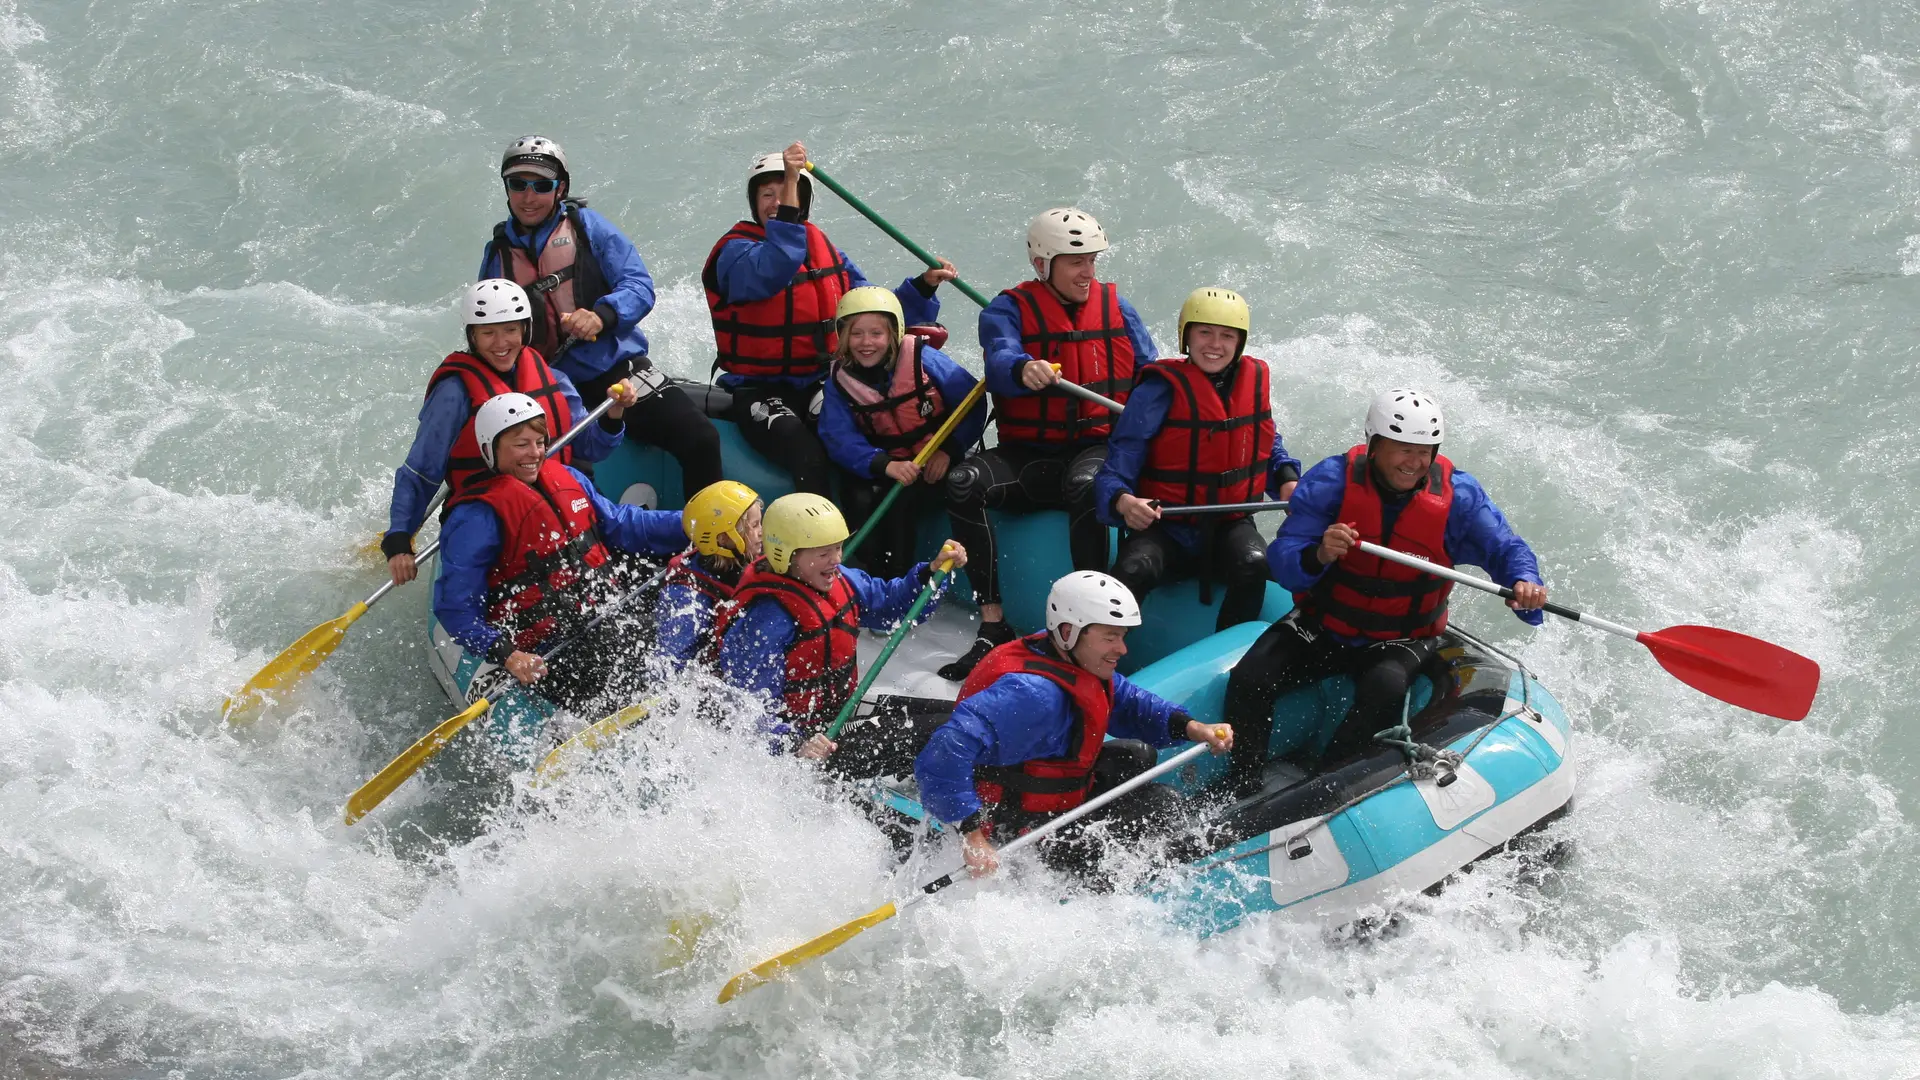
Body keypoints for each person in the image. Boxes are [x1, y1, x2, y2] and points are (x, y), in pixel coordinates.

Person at [1222, 389, 1547, 793]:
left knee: (1386, 687)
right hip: (1324, 623)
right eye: (1403, 449)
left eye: (1424, 451)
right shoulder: (1331, 483)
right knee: (1251, 677)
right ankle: (1243, 784)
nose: (1415, 462)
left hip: (1402, 636)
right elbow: (1286, 558)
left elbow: (1504, 546)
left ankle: (1320, 788)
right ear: (1374, 446)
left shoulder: (1459, 498)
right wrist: (1320, 553)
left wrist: (1524, 580)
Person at [940, 207, 1158, 680]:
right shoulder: (1007, 310)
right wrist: (1022, 369)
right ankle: (993, 624)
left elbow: (1152, 375)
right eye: (1075, 262)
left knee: (1086, 483)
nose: (1088, 273)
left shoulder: (1118, 309)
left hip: (1096, 447)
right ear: (1043, 264)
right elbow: (1000, 355)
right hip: (1030, 455)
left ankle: (1093, 631)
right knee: (961, 483)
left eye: (1092, 261)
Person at [913, 571, 1234, 884]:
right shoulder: (1031, 695)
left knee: (1137, 756)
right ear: (1068, 631)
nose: (1122, 649)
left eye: (1121, 636)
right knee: (1163, 805)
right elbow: (945, 749)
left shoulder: (1069, 654)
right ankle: (1101, 890)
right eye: (1110, 637)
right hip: (1016, 826)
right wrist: (973, 838)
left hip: (1046, 797)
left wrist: (1192, 728)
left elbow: (1126, 700)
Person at [701, 141, 956, 496]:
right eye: (767, 195)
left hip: (823, 380)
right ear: (753, 203)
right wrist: (792, 181)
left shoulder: (824, 248)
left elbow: (872, 310)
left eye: (786, 192)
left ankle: (869, 539)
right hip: (759, 388)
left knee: (865, 440)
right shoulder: (736, 253)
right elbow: (774, 266)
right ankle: (815, 548)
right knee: (806, 453)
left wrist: (923, 287)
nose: (776, 203)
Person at [482, 135, 723, 494]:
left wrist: (601, 315)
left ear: (560, 188)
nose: (528, 197)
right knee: (558, 477)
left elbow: (639, 286)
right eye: (518, 184)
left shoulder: (588, 229)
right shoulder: (497, 255)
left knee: (701, 439)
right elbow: (487, 333)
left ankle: (708, 547)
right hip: (547, 387)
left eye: (541, 185)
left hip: (617, 372)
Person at [434, 393, 688, 714]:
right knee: (636, 686)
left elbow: (624, 525)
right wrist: (509, 655)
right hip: (548, 647)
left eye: (540, 442)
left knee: (678, 647)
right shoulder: (475, 518)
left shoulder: (569, 478)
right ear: (490, 449)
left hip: (605, 615)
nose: (535, 453)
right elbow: (455, 609)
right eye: (521, 444)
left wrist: (691, 523)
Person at [383, 279, 639, 587]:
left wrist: (613, 414)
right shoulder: (454, 394)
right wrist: (399, 539)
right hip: (493, 519)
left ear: (525, 331)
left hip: (556, 505)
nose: (500, 342)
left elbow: (589, 448)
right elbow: (421, 472)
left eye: (510, 330)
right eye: (488, 332)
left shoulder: (550, 377)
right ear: (472, 337)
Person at [713, 493, 966, 774]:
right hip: (811, 743)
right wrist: (794, 744)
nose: (836, 559)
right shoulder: (765, 621)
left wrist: (930, 573)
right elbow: (745, 710)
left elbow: (893, 606)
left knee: (963, 714)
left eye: (838, 548)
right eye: (823, 553)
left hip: (840, 713)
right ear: (785, 554)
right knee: (944, 729)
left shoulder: (840, 580)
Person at [1095, 288, 1301, 632]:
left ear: (1240, 343)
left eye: (1226, 335)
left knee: (1254, 563)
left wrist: (1288, 479)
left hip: (1227, 523)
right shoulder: (1156, 391)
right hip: (1166, 527)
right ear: (1186, 336)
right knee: (1134, 569)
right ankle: (1099, 654)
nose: (1214, 344)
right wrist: (1124, 500)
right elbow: (1115, 469)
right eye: (1204, 332)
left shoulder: (1253, 385)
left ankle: (1227, 659)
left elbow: (1267, 446)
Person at [819, 286, 985, 579]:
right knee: (857, 498)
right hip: (887, 463)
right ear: (844, 337)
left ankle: (898, 581)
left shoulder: (925, 360)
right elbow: (838, 437)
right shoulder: (839, 380)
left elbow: (972, 403)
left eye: (876, 334)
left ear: (893, 334)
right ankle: (872, 575)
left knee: (901, 504)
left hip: (937, 459)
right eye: (856, 334)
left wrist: (949, 451)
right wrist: (886, 465)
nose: (866, 343)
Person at [653, 480, 763, 670]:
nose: (762, 532)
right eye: (754, 526)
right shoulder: (688, 599)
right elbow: (668, 663)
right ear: (723, 538)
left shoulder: (748, 560)